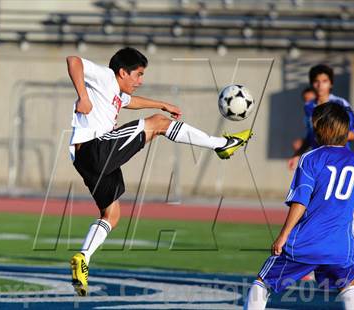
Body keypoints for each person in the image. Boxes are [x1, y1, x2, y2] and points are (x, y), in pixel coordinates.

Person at [66, 47, 253, 296]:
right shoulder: (105, 77)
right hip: (95, 148)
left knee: (111, 214)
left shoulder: (115, 92)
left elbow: (130, 102)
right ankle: (222, 144)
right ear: (123, 72)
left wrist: (162, 103)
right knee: (158, 124)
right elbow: (73, 60)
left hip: (86, 159)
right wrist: (83, 96)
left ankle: (83, 257)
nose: (140, 81)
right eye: (138, 75)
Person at [245, 103, 354, 310]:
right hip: (340, 247)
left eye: (315, 125)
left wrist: (283, 235)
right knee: (349, 286)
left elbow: (300, 201)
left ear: (322, 129)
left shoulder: (310, 159)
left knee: (262, 282)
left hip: (305, 243)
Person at [287, 64, 354, 275]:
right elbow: (310, 136)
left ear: (330, 83)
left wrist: (333, 135)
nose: (320, 85)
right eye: (316, 81)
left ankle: (307, 263)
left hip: (338, 164)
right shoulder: (309, 107)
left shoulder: (340, 104)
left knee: (334, 212)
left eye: (324, 81)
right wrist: (298, 153)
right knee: (316, 211)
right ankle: (308, 263)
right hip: (316, 165)